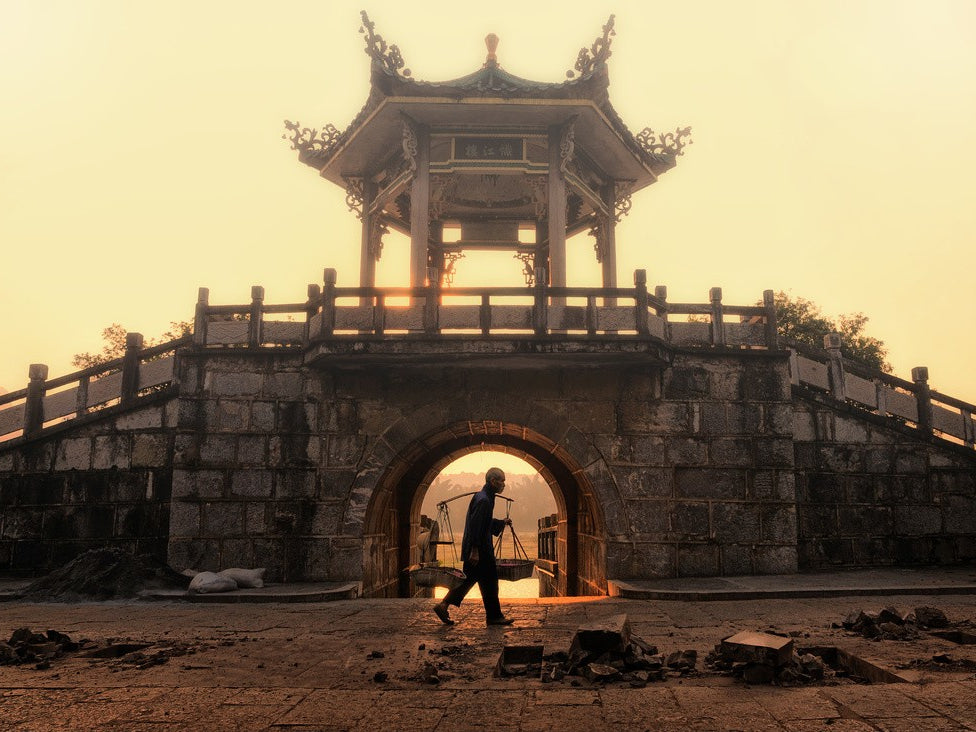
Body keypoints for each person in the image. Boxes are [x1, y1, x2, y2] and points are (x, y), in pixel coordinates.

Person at [433, 467, 514, 626]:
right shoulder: (484, 500)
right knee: (489, 582)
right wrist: (475, 551)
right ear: (493, 481)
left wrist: (500, 523)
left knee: (470, 580)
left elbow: (484, 524)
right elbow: (476, 526)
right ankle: (494, 616)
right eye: (501, 481)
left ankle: (444, 605)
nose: (503, 484)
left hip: (479, 548)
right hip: (480, 550)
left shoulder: (485, 497)